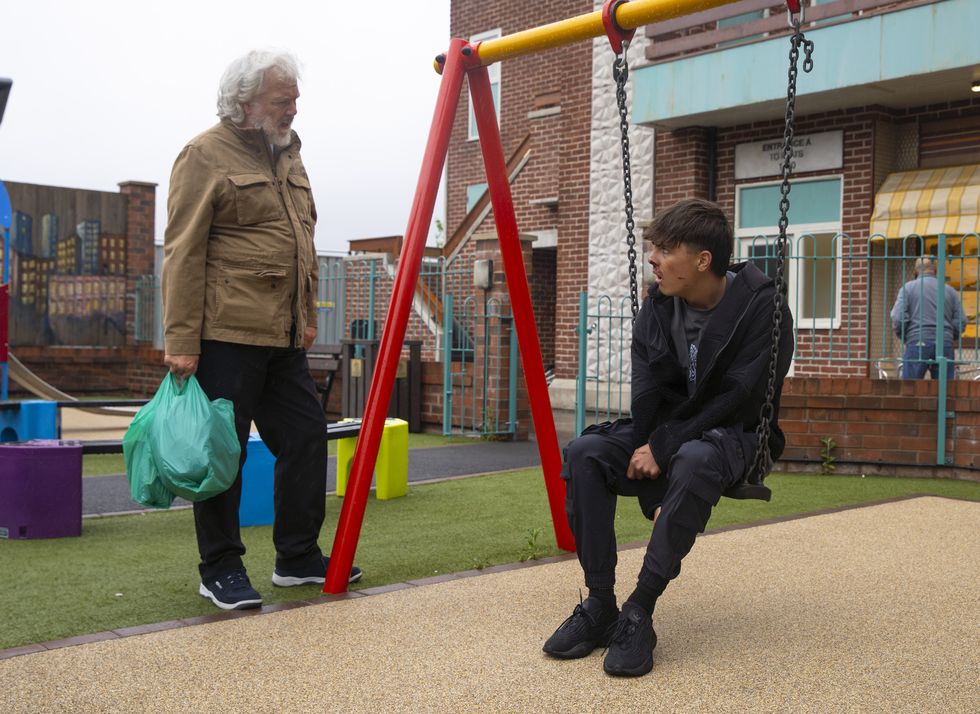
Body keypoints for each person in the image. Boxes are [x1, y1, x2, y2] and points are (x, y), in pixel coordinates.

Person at [542, 199, 794, 677]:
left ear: (702, 260)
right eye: (652, 248)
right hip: (666, 430)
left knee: (696, 460)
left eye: (665, 249)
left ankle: (640, 609)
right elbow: (645, 391)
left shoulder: (764, 307)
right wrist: (648, 449)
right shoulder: (658, 307)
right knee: (586, 452)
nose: (653, 259)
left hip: (734, 433)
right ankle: (599, 605)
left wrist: (666, 447)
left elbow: (741, 396)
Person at [162, 50, 361, 611]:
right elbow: (182, 251)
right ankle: (219, 568)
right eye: (283, 99)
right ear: (246, 102)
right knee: (225, 454)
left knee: (304, 437)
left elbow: (301, 240)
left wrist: (305, 317)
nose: (294, 109)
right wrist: (180, 341)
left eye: (295, 98)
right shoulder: (203, 154)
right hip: (225, 334)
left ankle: (296, 557)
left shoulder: (289, 156)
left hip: (282, 336)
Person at [890, 255, 966, 380]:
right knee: (944, 389)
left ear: (915, 270)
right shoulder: (950, 291)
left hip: (917, 341)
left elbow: (898, 317)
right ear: (935, 270)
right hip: (944, 343)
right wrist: (951, 336)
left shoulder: (908, 288)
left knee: (910, 388)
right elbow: (961, 320)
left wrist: (905, 336)